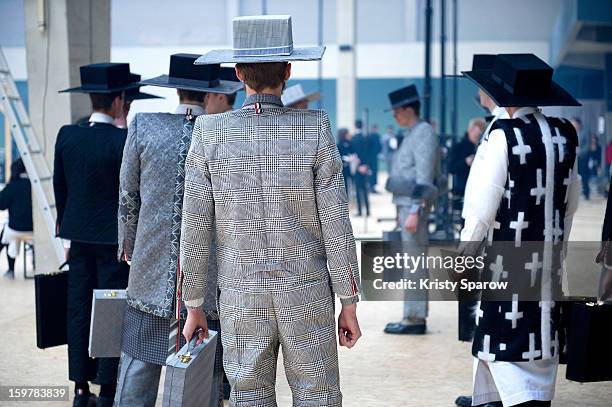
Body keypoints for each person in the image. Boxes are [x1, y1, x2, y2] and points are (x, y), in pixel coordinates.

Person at [179, 15, 361, 406]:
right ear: (289, 70)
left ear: (238, 73)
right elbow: (336, 225)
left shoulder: (209, 133)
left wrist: (193, 303)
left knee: (248, 395)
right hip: (307, 292)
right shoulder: (315, 127)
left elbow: (194, 229)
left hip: (241, 293)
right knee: (319, 394)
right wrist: (349, 301)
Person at [114, 54, 242, 407]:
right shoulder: (226, 133)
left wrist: (128, 243)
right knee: (207, 374)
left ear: (177, 89)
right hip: (210, 274)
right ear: (210, 92)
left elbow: (128, 194)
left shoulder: (144, 125)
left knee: (139, 365)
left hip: (150, 270)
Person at [460, 53, 581, 407]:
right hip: (548, 255)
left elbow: (483, 207)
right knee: (539, 326)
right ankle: (495, 398)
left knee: (503, 329)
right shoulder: (564, 133)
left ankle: (516, 400)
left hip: (509, 257)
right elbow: (570, 202)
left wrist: (465, 251)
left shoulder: (503, 136)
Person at [55, 63, 136, 407]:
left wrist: (66, 231)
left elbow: (61, 188)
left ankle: (78, 389)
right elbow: (132, 195)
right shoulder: (124, 139)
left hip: (77, 237)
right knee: (111, 310)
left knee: (78, 309)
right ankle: (106, 390)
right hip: (112, 242)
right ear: (118, 100)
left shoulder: (67, 135)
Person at [454, 54, 506, 407]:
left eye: (480, 86)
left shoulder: (502, 131)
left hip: (492, 239)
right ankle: (485, 393)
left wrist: (467, 245)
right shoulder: (494, 125)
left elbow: (486, 196)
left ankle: (495, 394)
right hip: (486, 236)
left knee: (492, 317)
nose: (477, 92)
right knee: (484, 319)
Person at [384, 84, 439, 335]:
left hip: (413, 209)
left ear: (407, 109)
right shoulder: (413, 132)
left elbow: (424, 177)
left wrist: (415, 210)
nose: (394, 115)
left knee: (414, 263)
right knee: (410, 262)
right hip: (407, 208)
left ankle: (415, 318)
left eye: (395, 111)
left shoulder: (423, 132)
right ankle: (411, 314)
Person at [0, 159, 33, 279]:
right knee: (9, 232)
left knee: (7, 234)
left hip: (16, 229)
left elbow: (1, 205)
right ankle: (35, 262)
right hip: (35, 230)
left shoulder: (12, 186)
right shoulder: (35, 185)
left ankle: (10, 270)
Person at [448, 118, 486, 199]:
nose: (477, 135)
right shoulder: (459, 147)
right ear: (469, 130)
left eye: (480, 133)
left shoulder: (483, 147)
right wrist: (466, 162)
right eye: (475, 131)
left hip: (480, 190)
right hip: (463, 191)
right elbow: (451, 168)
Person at [351, 119, 371, 216]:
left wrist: (359, 166)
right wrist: (366, 166)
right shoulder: (366, 137)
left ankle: (360, 211)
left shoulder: (354, 138)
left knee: (358, 190)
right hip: (365, 167)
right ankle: (367, 210)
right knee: (365, 189)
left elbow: (354, 154)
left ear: (355, 126)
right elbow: (368, 153)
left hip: (358, 167)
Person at [571, 117, 591, 199]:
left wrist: (581, 151)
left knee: (584, 175)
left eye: (574, 123)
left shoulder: (585, 132)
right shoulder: (571, 132)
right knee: (574, 177)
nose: (573, 125)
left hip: (583, 158)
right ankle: (575, 194)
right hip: (574, 158)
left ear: (578, 124)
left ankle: (586, 193)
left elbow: (588, 145)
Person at [337, 127, 354, 197]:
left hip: (350, 167)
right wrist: (347, 158)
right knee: (344, 185)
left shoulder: (350, 143)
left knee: (352, 184)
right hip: (343, 168)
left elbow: (352, 151)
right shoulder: (339, 144)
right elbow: (339, 156)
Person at [368, 124, 382, 193]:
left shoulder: (370, 136)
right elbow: (379, 146)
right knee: (373, 172)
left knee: (372, 172)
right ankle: (371, 187)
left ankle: (371, 187)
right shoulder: (375, 136)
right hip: (373, 157)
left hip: (371, 157)